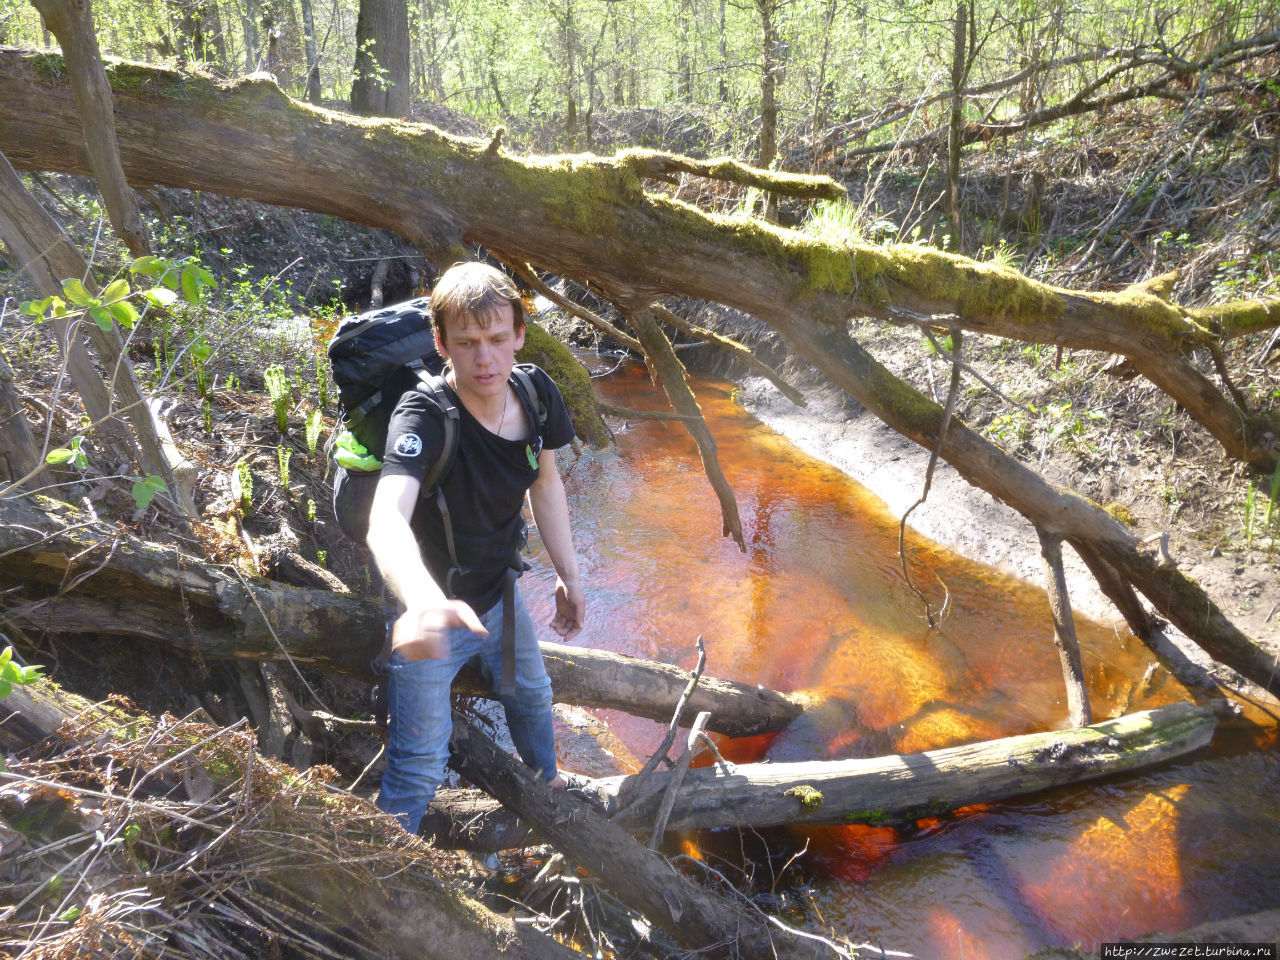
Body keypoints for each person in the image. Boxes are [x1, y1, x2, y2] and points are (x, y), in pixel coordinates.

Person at [366, 261, 585, 834]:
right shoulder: (425, 415)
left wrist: (569, 575)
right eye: (466, 343)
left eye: (495, 340)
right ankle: (385, 872)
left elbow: (546, 482)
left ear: (518, 335)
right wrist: (420, 602)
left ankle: (547, 793)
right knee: (418, 766)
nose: (483, 358)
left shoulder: (536, 394)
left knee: (533, 697)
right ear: (442, 344)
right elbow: (386, 519)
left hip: (500, 599)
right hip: (429, 614)